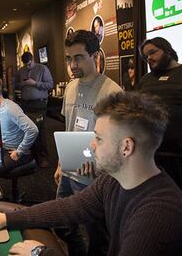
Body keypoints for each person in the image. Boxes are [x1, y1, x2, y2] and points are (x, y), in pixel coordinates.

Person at [0, 92, 182, 256]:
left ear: (126, 147)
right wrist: (8, 218)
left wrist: (41, 252)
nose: (92, 145)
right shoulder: (114, 182)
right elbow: (72, 207)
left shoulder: (158, 217)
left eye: (99, 139)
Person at [55, 29, 121, 255]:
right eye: (69, 58)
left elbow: (119, 143)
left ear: (96, 56)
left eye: (78, 58)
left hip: (96, 176)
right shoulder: (71, 87)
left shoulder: (113, 92)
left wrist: (101, 166)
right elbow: (69, 127)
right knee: (63, 225)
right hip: (69, 169)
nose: (72, 64)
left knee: (97, 235)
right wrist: (61, 163)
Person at [138, 37, 182, 190]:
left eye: (152, 52)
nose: (149, 58)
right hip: (153, 157)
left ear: (167, 50)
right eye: (145, 56)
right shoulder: (145, 81)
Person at [0, 78, 38, 175]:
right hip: (3, 147)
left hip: (17, 151)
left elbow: (33, 130)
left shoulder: (10, 109)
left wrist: (19, 151)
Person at [14, 51, 53, 168]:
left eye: (29, 64)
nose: (28, 67)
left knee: (40, 130)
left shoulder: (42, 69)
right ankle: (32, 157)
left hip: (39, 104)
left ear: (33, 59)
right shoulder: (21, 70)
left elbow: (50, 84)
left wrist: (34, 83)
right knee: (28, 130)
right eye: (26, 65)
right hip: (25, 104)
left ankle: (43, 157)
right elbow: (16, 85)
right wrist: (22, 84)